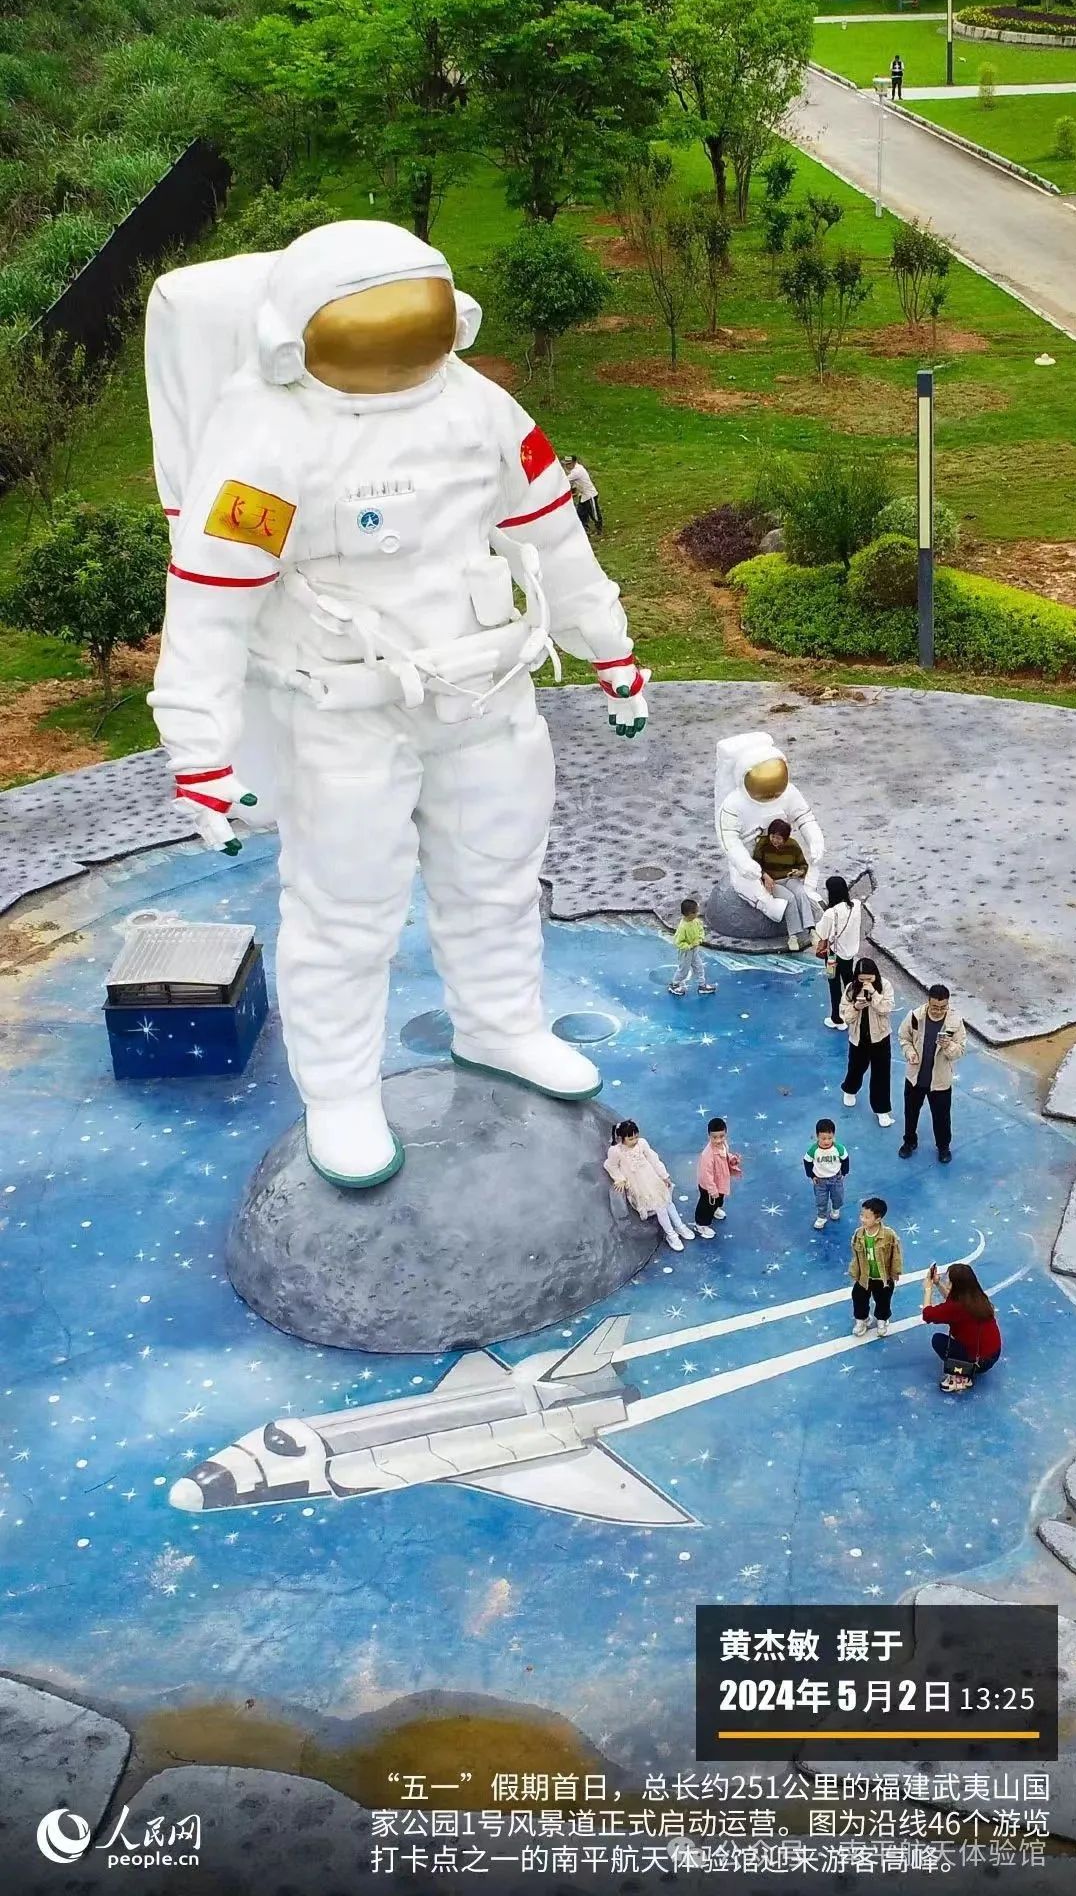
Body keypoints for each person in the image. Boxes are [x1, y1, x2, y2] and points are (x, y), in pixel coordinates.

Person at [145, 220, 652, 1188]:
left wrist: (608, 643)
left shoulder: (477, 407)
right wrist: (198, 747)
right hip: (344, 709)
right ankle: (340, 1092)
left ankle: (501, 1024)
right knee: (345, 911)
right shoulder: (268, 433)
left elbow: (549, 532)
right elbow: (212, 596)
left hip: (485, 687)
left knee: (499, 874)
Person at [714, 732, 824, 933]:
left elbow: (804, 817)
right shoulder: (734, 804)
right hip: (750, 853)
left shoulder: (789, 792)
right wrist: (743, 862)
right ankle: (768, 905)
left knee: (812, 860)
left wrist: (815, 840)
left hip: (782, 847)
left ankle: (808, 891)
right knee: (745, 879)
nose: (771, 793)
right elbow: (729, 838)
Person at [898, 986, 967, 1164]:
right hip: (916, 1077)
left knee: (942, 1117)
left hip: (940, 1080)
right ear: (928, 1002)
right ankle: (909, 1141)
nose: (938, 1011)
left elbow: (960, 1051)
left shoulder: (955, 1022)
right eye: (935, 1007)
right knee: (910, 1113)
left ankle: (943, 1147)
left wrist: (948, 1046)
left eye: (943, 1007)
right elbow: (903, 1037)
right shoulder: (915, 1016)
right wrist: (909, 1052)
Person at [605, 1120, 696, 1252]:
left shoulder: (642, 1143)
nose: (634, 1140)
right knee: (660, 1208)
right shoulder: (616, 1151)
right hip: (639, 1185)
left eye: (636, 1136)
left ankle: (679, 1225)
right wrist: (620, 1179)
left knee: (668, 1202)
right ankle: (671, 1234)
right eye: (630, 1139)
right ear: (621, 1138)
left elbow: (654, 1159)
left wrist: (664, 1175)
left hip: (652, 1179)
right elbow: (610, 1165)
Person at [922, 1262, 1001, 1392]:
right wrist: (937, 1283)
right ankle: (968, 1366)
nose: (946, 1282)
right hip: (993, 1354)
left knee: (938, 1340)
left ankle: (962, 1376)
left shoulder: (956, 1307)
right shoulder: (977, 1297)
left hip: (979, 1362)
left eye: (948, 1281)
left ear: (956, 1285)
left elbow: (927, 1314)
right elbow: (951, 1299)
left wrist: (928, 1289)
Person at [840, 958, 895, 1127]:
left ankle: (881, 1110)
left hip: (880, 1037)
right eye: (862, 979)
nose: (865, 982)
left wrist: (874, 995)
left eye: (869, 979)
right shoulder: (851, 988)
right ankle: (850, 1089)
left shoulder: (885, 985)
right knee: (856, 1068)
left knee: (881, 1074)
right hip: (858, 1038)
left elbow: (887, 1008)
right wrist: (856, 1007)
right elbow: (845, 1015)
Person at [751, 819, 819, 953]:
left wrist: (799, 872)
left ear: (785, 838)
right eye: (773, 836)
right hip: (773, 881)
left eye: (779, 838)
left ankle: (811, 929)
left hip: (789, 878)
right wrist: (765, 876)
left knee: (800, 893)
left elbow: (803, 865)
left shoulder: (793, 845)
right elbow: (755, 865)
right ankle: (793, 936)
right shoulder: (763, 844)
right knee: (789, 898)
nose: (775, 840)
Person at [814, 876, 863, 1030]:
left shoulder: (830, 913)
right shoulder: (856, 905)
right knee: (849, 982)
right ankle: (852, 1012)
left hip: (833, 956)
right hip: (850, 953)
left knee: (834, 984)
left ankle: (837, 1017)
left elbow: (822, 933)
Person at [849, 1197, 903, 1337]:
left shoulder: (889, 1235)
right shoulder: (859, 1234)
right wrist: (855, 1272)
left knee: (883, 1300)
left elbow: (896, 1254)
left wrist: (895, 1272)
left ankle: (881, 1320)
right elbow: (856, 1255)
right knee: (858, 1297)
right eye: (862, 1215)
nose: (862, 1219)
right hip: (865, 1276)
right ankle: (862, 1320)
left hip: (882, 1277)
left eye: (867, 1217)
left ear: (878, 1219)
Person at [695, 1117, 742, 1237]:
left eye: (721, 1136)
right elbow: (706, 1175)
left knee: (719, 1199)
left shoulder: (724, 1145)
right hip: (709, 1187)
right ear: (709, 1136)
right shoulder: (707, 1155)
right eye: (714, 1137)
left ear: (726, 1134)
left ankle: (715, 1209)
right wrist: (712, 1190)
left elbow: (725, 1155)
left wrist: (732, 1159)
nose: (718, 1140)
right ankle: (701, 1224)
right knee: (706, 1205)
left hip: (720, 1182)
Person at [803, 1117, 850, 1232]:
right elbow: (807, 1161)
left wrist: (844, 1172)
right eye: (823, 1138)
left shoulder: (838, 1148)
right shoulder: (814, 1150)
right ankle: (821, 1217)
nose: (826, 1141)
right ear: (817, 1136)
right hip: (820, 1181)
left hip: (836, 1179)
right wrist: (812, 1175)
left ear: (834, 1136)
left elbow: (845, 1159)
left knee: (838, 1197)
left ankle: (835, 1209)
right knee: (821, 1200)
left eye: (830, 1138)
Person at [669, 897, 716, 996]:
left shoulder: (696, 921)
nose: (697, 914)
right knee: (683, 970)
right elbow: (678, 942)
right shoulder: (683, 927)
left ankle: (702, 985)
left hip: (694, 950)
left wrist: (700, 939)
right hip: (686, 953)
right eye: (695, 912)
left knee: (699, 967)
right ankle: (674, 984)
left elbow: (701, 930)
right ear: (689, 914)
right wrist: (689, 946)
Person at [564, 455, 602, 535]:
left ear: (574, 462)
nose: (567, 466)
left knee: (594, 514)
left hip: (590, 495)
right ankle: (585, 529)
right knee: (581, 514)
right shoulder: (576, 469)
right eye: (566, 464)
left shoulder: (576, 471)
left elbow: (565, 481)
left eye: (569, 464)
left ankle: (599, 529)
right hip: (583, 496)